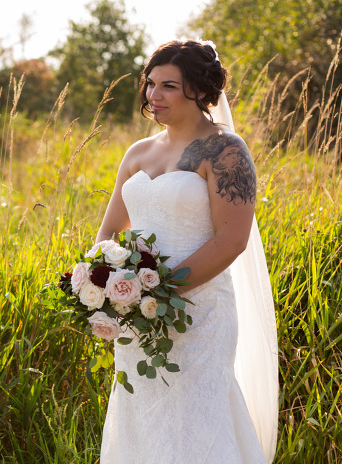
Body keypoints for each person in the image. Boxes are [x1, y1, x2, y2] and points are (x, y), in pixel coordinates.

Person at [95, 40, 278, 463]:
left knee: (195, 422)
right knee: (142, 416)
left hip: (199, 314)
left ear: (198, 90)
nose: (152, 96)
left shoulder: (225, 151)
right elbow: (109, 232)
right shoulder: (137, 153)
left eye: (168, 86)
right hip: (136, 315)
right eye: (150, 83)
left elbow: (232, 240)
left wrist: (159, 293)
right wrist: (102, 286)